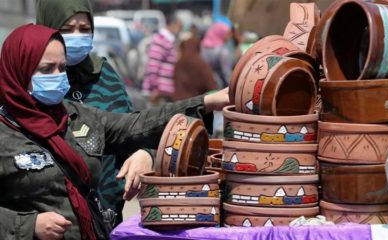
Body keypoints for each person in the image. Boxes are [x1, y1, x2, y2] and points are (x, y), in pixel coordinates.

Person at [0, 24, 228, 239]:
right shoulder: (5, 131)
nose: (57, 76)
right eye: (46, 69)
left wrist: (207, 102)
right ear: (18, 72)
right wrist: (29, 226)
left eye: (61, 68)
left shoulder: (75, 117)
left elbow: (137, 124)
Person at [35, 0, 145, 225]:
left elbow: (135, 130)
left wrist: (145, 154)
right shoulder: (31, 80)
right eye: (66, 29)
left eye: (84, 29)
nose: (76, 36)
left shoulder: (105, 77)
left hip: (106, 221)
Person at [141, 13, 183, 105]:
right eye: (180, 26)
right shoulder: (161, 40)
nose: (180, 30)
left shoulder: (169, 40)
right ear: (173, 24)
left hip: (164, 91)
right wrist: (155, 88)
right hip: (158, 93)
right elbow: (153, 65)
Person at [201, 22, 236, 88]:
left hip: (204, 85)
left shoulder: (202, 47)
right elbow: (227, 74)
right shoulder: (223, 52)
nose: (230, 36)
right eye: (227, 34)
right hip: (219, 85)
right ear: (221, 33)